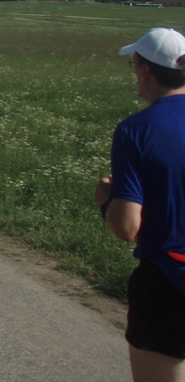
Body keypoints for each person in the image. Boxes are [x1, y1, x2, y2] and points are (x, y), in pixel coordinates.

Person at [95, 27, 185, 382]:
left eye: (134, 64)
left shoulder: (136, 130)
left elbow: (126, 227)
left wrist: (107, 201)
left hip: (168, 279)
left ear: (145, 69)